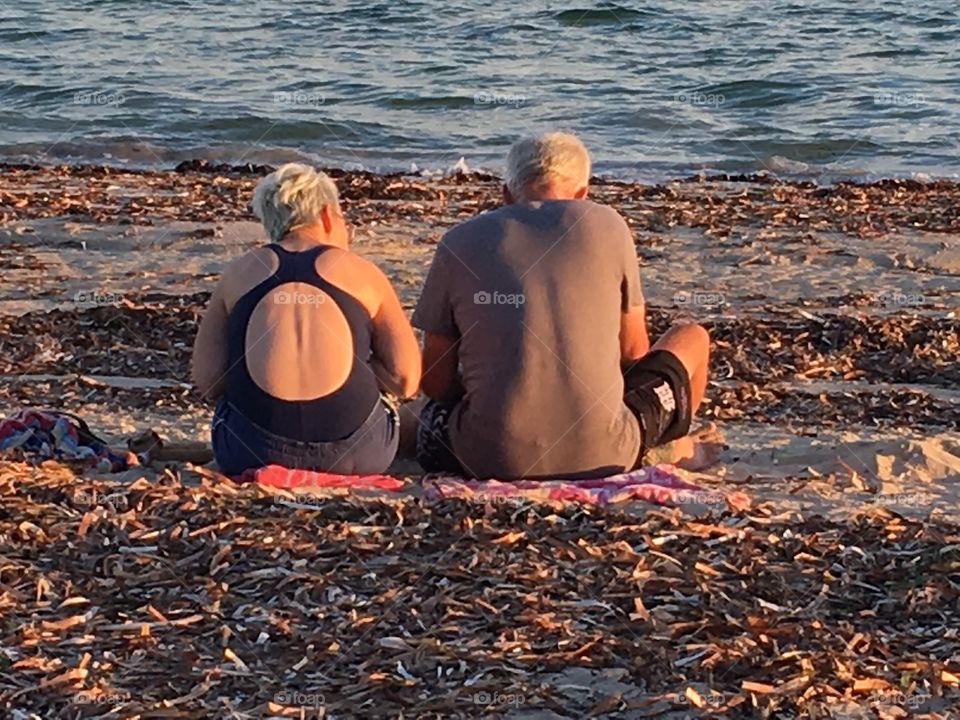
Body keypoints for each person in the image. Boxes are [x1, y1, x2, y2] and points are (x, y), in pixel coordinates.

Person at [412, 132, 722, 479]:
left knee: (419, 418)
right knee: (692, 336)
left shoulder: (457, 241)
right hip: (606, 454)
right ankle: (671, 444)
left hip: (486, 459)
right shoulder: (607, 224)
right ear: (582, 194)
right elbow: (634, 351)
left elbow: (435, 381)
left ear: (506, 194)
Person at [192, 163, 420, 475]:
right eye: (342, 218)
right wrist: (357, 362)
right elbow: (406, 380)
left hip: (252, 450)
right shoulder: (364, 273)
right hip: (357, 456)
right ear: (326, 214)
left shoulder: (239, 272)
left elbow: (208, 380)